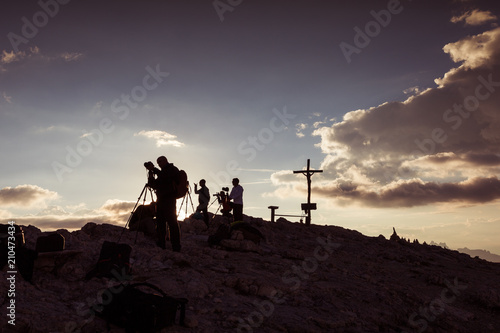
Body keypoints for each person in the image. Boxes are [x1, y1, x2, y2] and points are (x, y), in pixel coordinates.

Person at [146, 156, 181, 252]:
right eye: (158, 163)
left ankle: (176, 246)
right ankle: (161, 243)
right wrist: (150, 174)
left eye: (160, 161)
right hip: (160, 200)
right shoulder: (161, 173)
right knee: (160, 222)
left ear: (166, 160)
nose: (159, 163)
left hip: (169, 199)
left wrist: (154, 169)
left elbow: (166, 177)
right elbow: (154, 185)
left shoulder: (172, 169)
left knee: (172, 222)